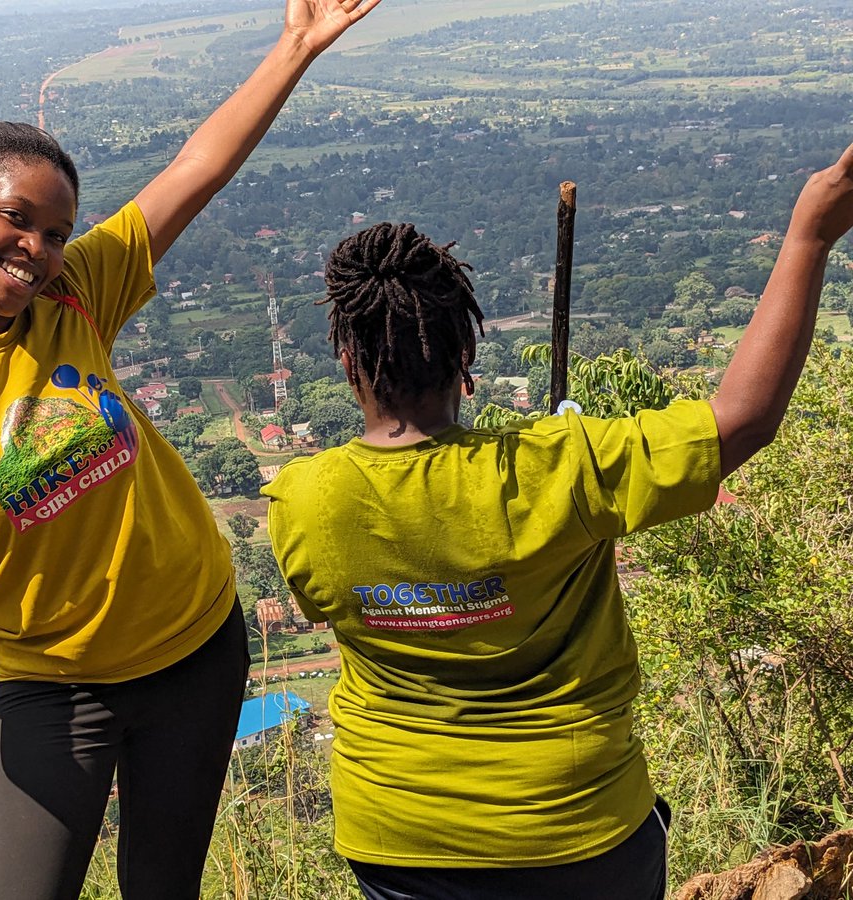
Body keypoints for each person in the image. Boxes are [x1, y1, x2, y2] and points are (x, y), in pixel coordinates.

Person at [0, 1, 382, 896]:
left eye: (58, 231)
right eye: (17, 218)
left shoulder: (77, 298)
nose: (38, 249)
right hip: (52, 688)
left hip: (195, 650)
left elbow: (195, 171)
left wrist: (294, 46)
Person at [263, 143, 853, 900]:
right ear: (467, 351)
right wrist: (811, 233)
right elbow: (740, 420)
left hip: (397, 837)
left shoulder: (301, 500)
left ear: (348, 363)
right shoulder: (560, 467)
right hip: (578, 830)